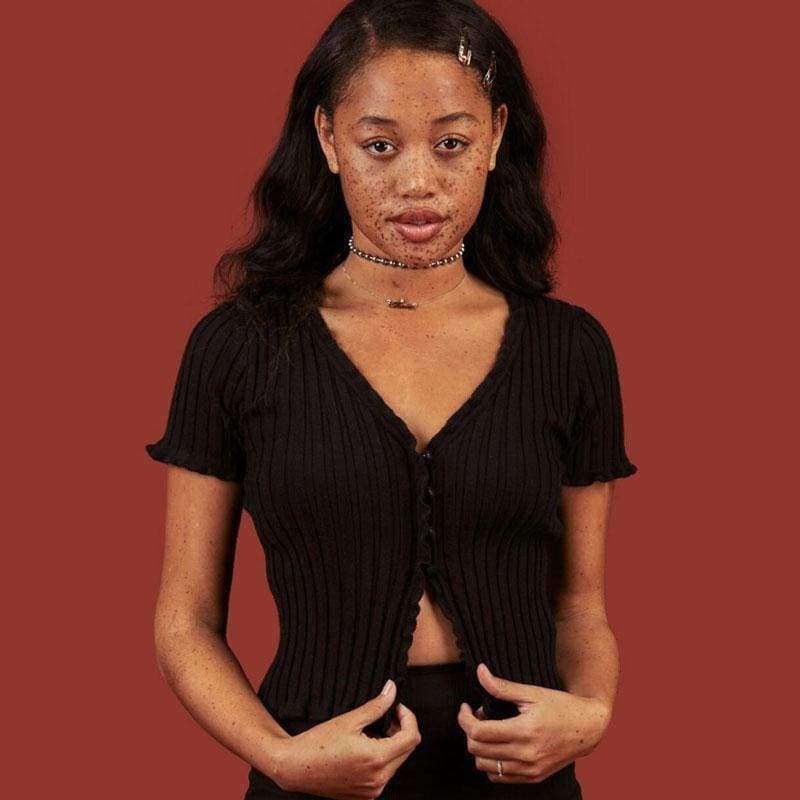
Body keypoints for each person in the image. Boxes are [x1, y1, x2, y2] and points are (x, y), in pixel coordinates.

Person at [144, 1, 638, 798]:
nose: (417, 183)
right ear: (327, 138)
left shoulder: (568, 349)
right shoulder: (240, 347)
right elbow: (184, 621)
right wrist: (279, 758)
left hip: (521, 777)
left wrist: (592, 713)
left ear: (496, 136)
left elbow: (580, 606)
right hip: (315, 770)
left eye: (451, 143)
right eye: (379, 145)